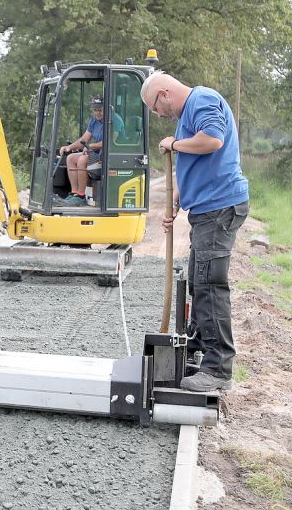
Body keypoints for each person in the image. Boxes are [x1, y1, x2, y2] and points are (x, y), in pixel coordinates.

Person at [141, 71, 250, 392]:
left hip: (219, 208)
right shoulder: (191, 110)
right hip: (207, 209)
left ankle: (218, 369)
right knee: (197, 278)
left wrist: (174, 143)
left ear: (164, 93)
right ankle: (197, 343)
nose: (159, 115)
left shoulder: (201, 100)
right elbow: (197, 158)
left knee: (209, 284)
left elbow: (212, 140)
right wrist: (178, 196)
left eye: (155, 108)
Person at [58, 96, 124, 206]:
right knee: (70, 158)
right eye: (95, 110)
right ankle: (74, 193)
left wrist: (91, 146)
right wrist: (69, 148)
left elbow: (110, 142)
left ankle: (81, 196)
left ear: (107, 109)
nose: (97, 113)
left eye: (100, 110)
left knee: (83, 160)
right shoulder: (94, 120)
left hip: (110, 158)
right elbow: (84, 139)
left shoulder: (115, 120)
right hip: (97, 154)